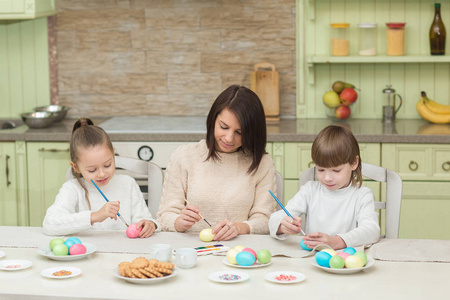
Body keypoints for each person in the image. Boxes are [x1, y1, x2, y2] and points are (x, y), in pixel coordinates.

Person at [157, 85, 277, 241]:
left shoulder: (262, 163)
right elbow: (164, 216)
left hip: (239, 252)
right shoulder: (184, 157)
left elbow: (266, 220)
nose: (229, 138)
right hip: (190, 250)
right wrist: (179, 222)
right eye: (223, 127)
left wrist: (240, 228)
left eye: (240, 132)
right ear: (213, 120)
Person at [43, 118, 159, 237]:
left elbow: (143, 219)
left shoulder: (128, 184)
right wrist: (94, 216)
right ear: (76, 167)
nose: (102, 174)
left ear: (113, 155)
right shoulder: (72, 189)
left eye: (107, 165)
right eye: (92, 170)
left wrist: (149, 224)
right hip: (85, 252)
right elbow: (49, 224)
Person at [269, 125, 380, 249]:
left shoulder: (362, 195)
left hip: (345, 262)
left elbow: (372, 230)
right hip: (311, 261)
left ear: (354, 163)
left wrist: (338, 241)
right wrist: (281, 225)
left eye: (336, 170)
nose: (327, 178)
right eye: (321, 169)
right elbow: (275, 219)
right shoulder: (310, 190)